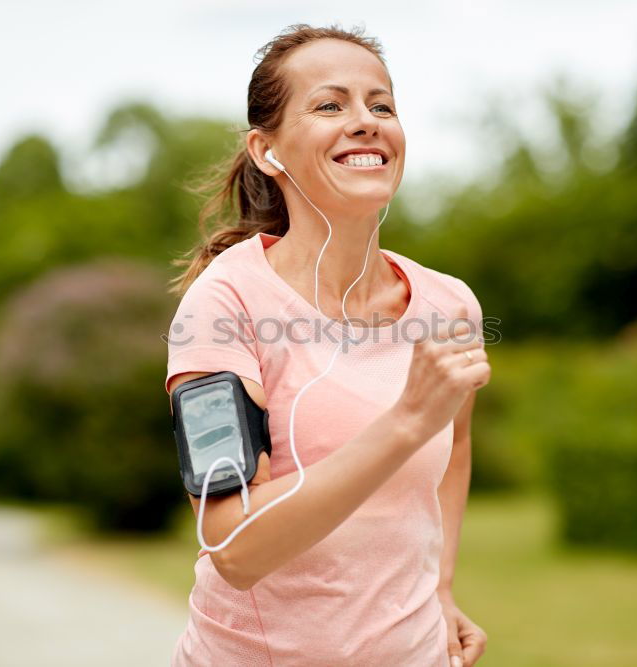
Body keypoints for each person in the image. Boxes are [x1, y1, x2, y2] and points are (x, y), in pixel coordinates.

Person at [164, 23, 490, 667]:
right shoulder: (221, 308)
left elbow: (453, 451)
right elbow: (233, 548)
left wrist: (442, 588)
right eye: (329, 105)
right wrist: (402, 424)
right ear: (267, 150)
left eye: (382, 104)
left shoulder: (449, 305)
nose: (365, 121)